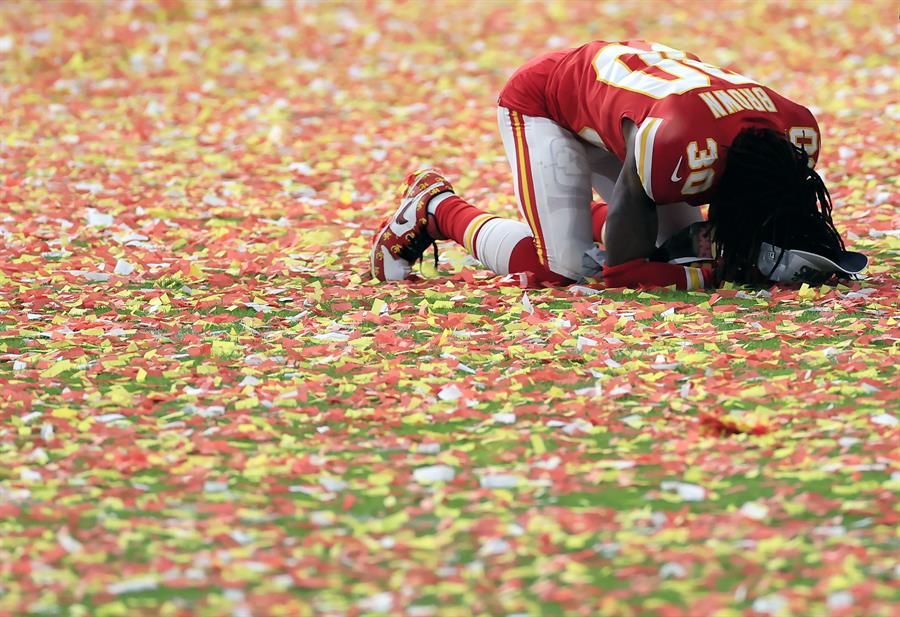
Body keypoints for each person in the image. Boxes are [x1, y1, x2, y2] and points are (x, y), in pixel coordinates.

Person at [370, 40, 865, 288]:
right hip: (549, 103)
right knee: (566, 266)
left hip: (636, 113)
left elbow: (775, 197)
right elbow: (625, 268)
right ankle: (436, 207)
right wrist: (710, 272)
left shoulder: (796, 130)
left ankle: (553, 216)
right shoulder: (679, 145)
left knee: (672, 247)